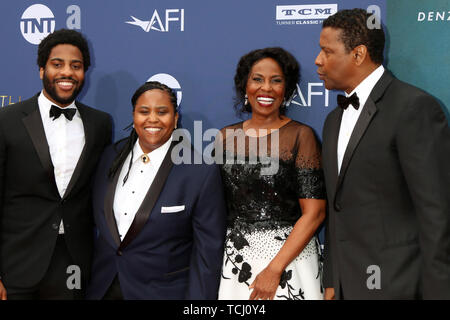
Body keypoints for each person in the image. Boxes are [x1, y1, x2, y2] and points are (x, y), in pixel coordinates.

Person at [316, 9, 450, 300]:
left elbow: (437, 213)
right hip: (345, 286)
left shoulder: (413, 108)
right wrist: (331, 281)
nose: (318, 60)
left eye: (327, 51)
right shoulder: (332, 121)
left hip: (398, 285)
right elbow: (337, 211)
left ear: (358, 54)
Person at [87, 81, 227, 300]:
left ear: (175, 118)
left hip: (162, 293)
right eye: (144, 111)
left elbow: (207, 255)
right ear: (133, 116)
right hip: (104, 288)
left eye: (162, 112)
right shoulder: (109, 157)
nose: (152, 119)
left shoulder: (199, 171)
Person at [0, 29, 112, 300]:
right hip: (17, 262)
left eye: (76, 66)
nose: (67, 73)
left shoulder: (99, 124)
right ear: (41, 70)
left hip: (72, 262)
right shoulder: (7, 120)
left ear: (85, 72)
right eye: (57, 64)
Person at [216, 47, 326, 300]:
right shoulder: (224, 138)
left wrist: (274, 270)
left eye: (276, 81)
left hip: (290, 263)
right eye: (257, 79)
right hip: (235, 262)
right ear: (244, 86)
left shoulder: (302, 135)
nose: (266, 88)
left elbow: (315, 212)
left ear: (286, 90)